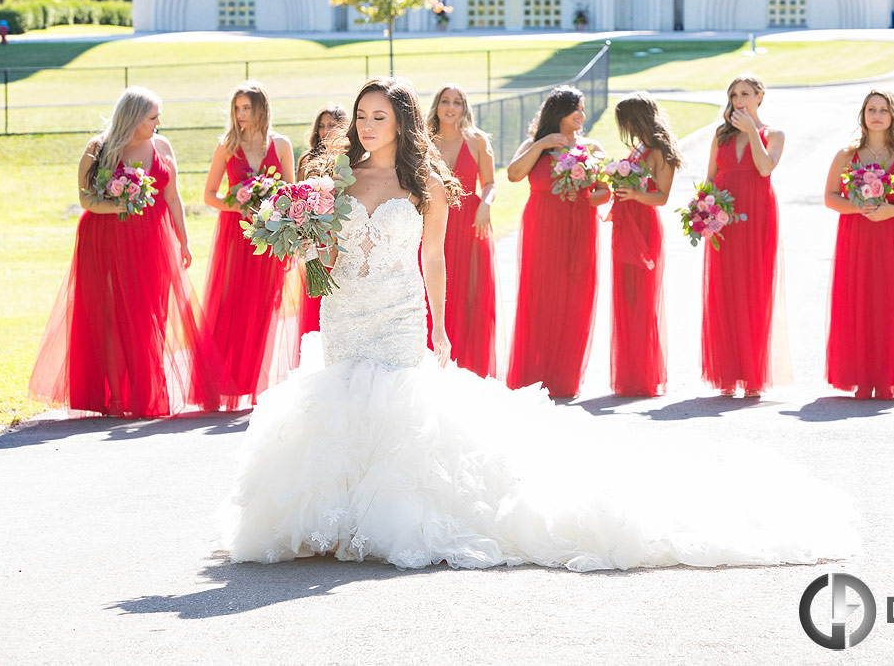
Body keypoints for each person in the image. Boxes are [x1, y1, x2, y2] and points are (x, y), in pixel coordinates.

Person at [219, 77, 860, 571]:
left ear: (400, 122)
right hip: (343, 312)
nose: (365, 125)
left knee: (392, 412)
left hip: (397, 312)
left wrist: (439, 327)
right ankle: (337, 517)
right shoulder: (332, 176)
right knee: (340, 408)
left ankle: (382, 519)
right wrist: (300, 240)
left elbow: (435, 260)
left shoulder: (424, 185)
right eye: (360, 115)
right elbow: (325, 252)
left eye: (377, 116)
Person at [28, 87, 225, 417]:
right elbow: (86, 200)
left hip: (153, 240)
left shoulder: (162, 146)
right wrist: (119, 204)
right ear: (133, 119)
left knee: (153, 315)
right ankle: (117, 399)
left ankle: (146, 392)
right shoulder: (99, 149)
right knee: (111, 317)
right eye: (152, 117)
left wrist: (184, 241)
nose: (158, 123)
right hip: (106, 240)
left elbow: (173, 198)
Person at [504, 86, 610, 398]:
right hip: (541, 227)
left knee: (576, 296)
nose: (581, 114)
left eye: (582, 108)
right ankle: (534, 373)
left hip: (579, 227)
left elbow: (606, 192)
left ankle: (565, 377)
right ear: (558, 113)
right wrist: (542, 144)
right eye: (575, 108)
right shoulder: (534, 144)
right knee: (540, 296)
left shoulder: (592, 147)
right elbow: (513, 174)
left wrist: (584, 198)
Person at [199, 81, 299, 407]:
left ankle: (259, 386)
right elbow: (209, 195)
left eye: (247, 108)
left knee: (265, 307)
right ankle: (222, 384)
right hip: (234, 236)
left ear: (262, 108)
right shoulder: (227, 145)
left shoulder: (281, 145)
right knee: (228, 304)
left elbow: (291, 192)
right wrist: (240, 204)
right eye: (238, 108)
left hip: (270, 238)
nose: (242, 115)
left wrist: (273, 206)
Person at [823, 90, 894, 400]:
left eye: (883, 109)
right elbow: (830, 197)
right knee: (856, 301)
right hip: (856, 237)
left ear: (893, 115)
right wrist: (861, 207)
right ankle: (859, 378)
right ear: (863, 115)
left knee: (890, 305)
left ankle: (886, 378)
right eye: (871, 109)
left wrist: (890, 211)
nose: (877, 115)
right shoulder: (846, 155)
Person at [701, 74, 792, 397]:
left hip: (757, 216)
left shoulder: (774, 134)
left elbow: (765, 168)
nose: (739, 100)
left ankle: (753, 374)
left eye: (745, 94)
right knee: (724, 289)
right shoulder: (720, 135)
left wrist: (752, 131)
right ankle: (727, 373)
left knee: (754, 288)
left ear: (760, 96)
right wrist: (703, 214)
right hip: (724, 220)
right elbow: (709, 179)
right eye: (734, 95)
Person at [608, 93, 683, 397]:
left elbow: (662, 196)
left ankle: (643, 374)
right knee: (626, 297)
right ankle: (630, 372)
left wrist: (635, 195)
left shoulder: (661, 151)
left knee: (641, 298)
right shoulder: (639, 147)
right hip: (626, 224)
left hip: (644, 226)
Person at [426, 84, 498, 378]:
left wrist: (486, 205)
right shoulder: (425, 141)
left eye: (457, 102)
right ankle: (436, 364)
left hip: (471, 224)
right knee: (438, 291)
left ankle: (470, 367)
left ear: (464, 108)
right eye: (445, 101)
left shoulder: (478, 140)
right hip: (435, 225)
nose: (451, 107)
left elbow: (491, 182)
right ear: (438, 105)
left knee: (470, 293)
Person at [296, 102, 348, 342]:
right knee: (313, 305)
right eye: (322, 126)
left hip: (342, 235)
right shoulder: (307, 160)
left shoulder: (349, 160)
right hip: (313, 240)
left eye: (333, 126)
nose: (326, 132)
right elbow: (297, 196)